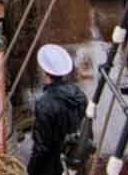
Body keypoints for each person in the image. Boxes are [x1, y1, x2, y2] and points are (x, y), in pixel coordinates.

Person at [27, 44, 88, 175]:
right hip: (74, 155)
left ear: (44, 71)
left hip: (53, 163)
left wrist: (32, 169)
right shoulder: (80, 95)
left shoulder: (44, 104)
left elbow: (42, 147)